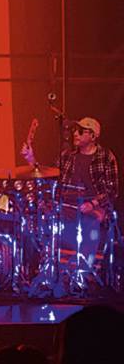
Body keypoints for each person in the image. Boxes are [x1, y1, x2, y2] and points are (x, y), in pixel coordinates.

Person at [21, 116, 118, 281]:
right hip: (66, 207)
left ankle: (82, 275)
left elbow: (112, 190)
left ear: (93, 136)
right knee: (38, 217)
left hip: (92, 208)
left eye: (81, 131)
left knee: (92, 222)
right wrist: (31, 159)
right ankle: (46, 271)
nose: (75, 134)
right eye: (74, 130)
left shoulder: (106, 157)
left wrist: (93, 204)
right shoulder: (67, 156)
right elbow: (46, 175)